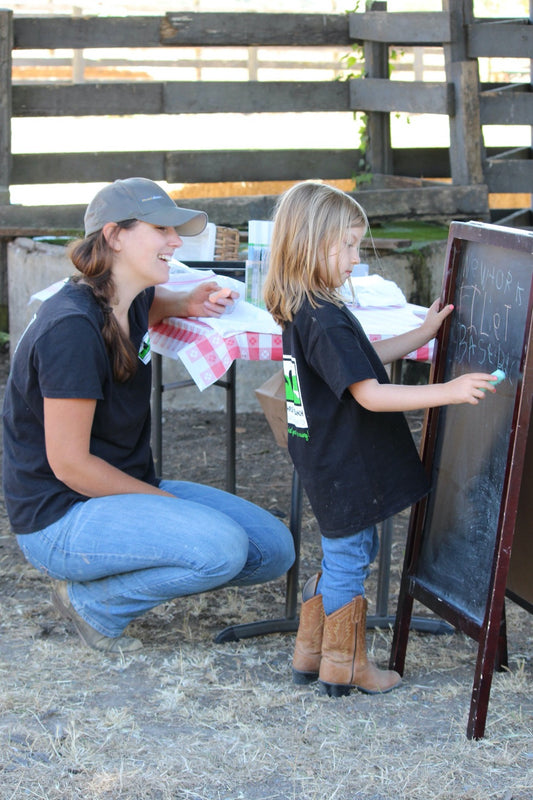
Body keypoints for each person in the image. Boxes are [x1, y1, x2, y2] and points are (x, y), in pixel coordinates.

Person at [2, 177, 295, 654]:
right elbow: (70, 465)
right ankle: (94, 603)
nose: (176, 242)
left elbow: (151, 307)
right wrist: (167, 505)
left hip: (118, 493)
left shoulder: (127, 299)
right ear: (115, 235)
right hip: (59, 517)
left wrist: (187, 301)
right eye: (162, 229)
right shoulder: (71, 330)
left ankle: (121, 569)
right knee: (221, 548)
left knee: (273, 549)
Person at [263, 181, 499, 697]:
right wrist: (450, 390)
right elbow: (369, 394)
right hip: (344, 463)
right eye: (346, 245)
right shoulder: (322, 318)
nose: (355, 258)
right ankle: (345, 666)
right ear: (309, 243)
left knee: (343, 553)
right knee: (350, 557)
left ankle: (312, 650)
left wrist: (425, 332)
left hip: (326, 458)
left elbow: (366, 356)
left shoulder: (309, 307)